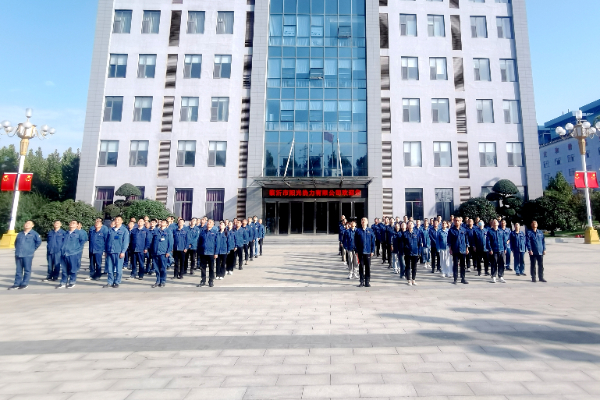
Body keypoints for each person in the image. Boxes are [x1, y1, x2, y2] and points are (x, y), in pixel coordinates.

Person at [8, 220, 42, 290]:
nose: (27, 224)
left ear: (32, 225)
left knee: (27, 270)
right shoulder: (20, 234)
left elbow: (38, 242)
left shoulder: (34, 234)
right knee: (18, 270)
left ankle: (24, 283)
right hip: (18, 254)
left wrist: (32, 249)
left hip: (28, 255)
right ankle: (16, 284)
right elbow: (16, 243)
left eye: (29, 223)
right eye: (26, 223)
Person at [104, 216, 130, 288]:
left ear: (122, 221)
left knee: (118, 269)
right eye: (116, 220)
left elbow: (125, 242)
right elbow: (106, 241)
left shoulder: (124, 230)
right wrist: (105, 251)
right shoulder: (110, 230)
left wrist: (123, 251)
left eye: (119, 220)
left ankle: (117, 282)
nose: (117, 221)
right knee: (110, 269)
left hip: (118, 252)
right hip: (110, 251)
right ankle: (110, 282)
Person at [59, 220, 86, 289]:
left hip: (73, 253)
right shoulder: (66, 233)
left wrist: (77, 250)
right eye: (71, 223)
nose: (71, 224)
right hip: (64, 253)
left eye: (73, 223)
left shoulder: (79, 233)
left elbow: (82, 242)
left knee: (73, 269)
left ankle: (72, 282)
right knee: (64, 269)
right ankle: (63, 282)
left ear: (77, 225)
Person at [448, 217, 470, 285]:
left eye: (458, 221)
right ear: (454, 221)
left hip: (463, 249)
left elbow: (466, 240)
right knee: (455, 265)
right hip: (455, 249)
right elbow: (449, 241)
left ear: (460, 221)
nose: (457, 222)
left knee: (463, 265)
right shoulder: (451, 230)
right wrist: (450, 249)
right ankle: (455, 279)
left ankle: (463, 278)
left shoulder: (464, 230)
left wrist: (467, 248)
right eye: (455, 221)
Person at [354, 217, 375, 287]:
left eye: (365, 220)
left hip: (368, 252)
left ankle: (367, 282)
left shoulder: (370, 230)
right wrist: (356, 250)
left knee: (368, 267)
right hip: (360, 252)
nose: (363, 221)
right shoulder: (358, 231)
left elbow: (373, 241)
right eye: (362, 220)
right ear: (361, 222)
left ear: (367, 222)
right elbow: (355, 241)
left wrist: (372, 250)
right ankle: (361, 281)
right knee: (361, 267)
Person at [152, 219, 173, 288]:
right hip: (155, 252)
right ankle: (157, 281)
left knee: (163, 268)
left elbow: (171, 242)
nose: (162, 223)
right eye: (161, 222)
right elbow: (152, 241)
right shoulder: (156, 231)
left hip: (163, 253)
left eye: (164, 222)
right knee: (156, 268)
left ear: (167, 224)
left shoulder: (168, 231)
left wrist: (168, 251)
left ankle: (163, 281)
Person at [486, 219, 507, 283]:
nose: (495, 223)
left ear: (498, 223)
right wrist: (490, 249)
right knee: (494, 263)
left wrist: (505, 248)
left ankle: (501, 276)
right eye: (494, 222)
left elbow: (504, 240)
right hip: (494, 250)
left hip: (501, 249)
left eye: (496, 222)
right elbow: (488, 241)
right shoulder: (490, 232)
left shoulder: (501, 231)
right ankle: (493, 276)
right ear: (492, 224)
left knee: (501, 263)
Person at [198, 219, 217, 287]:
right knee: (203, 267)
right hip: (203, 252)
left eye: (210, 222)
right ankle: (203, 280)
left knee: (211, 268)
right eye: (208, 222)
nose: (208, 223)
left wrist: (216, 253)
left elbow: (217, 243)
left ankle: (211, 281)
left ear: (213, 224)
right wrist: (199, 251)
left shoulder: (215, 233)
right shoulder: (202, 232)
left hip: (211, 253)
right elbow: (199, 242)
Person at [403, 221, 422, 286]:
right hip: (407, 252)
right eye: (409, 224)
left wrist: (419, 252)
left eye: (411, 224)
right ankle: (408, 280)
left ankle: (413, 279)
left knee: (414, 267)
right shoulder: (405, 233)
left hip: (415, 252)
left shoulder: (417, 233)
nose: (410, 225)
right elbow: (403, 243)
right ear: (407, 225)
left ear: (413, 225)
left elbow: (419, 243)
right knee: (408, 266)